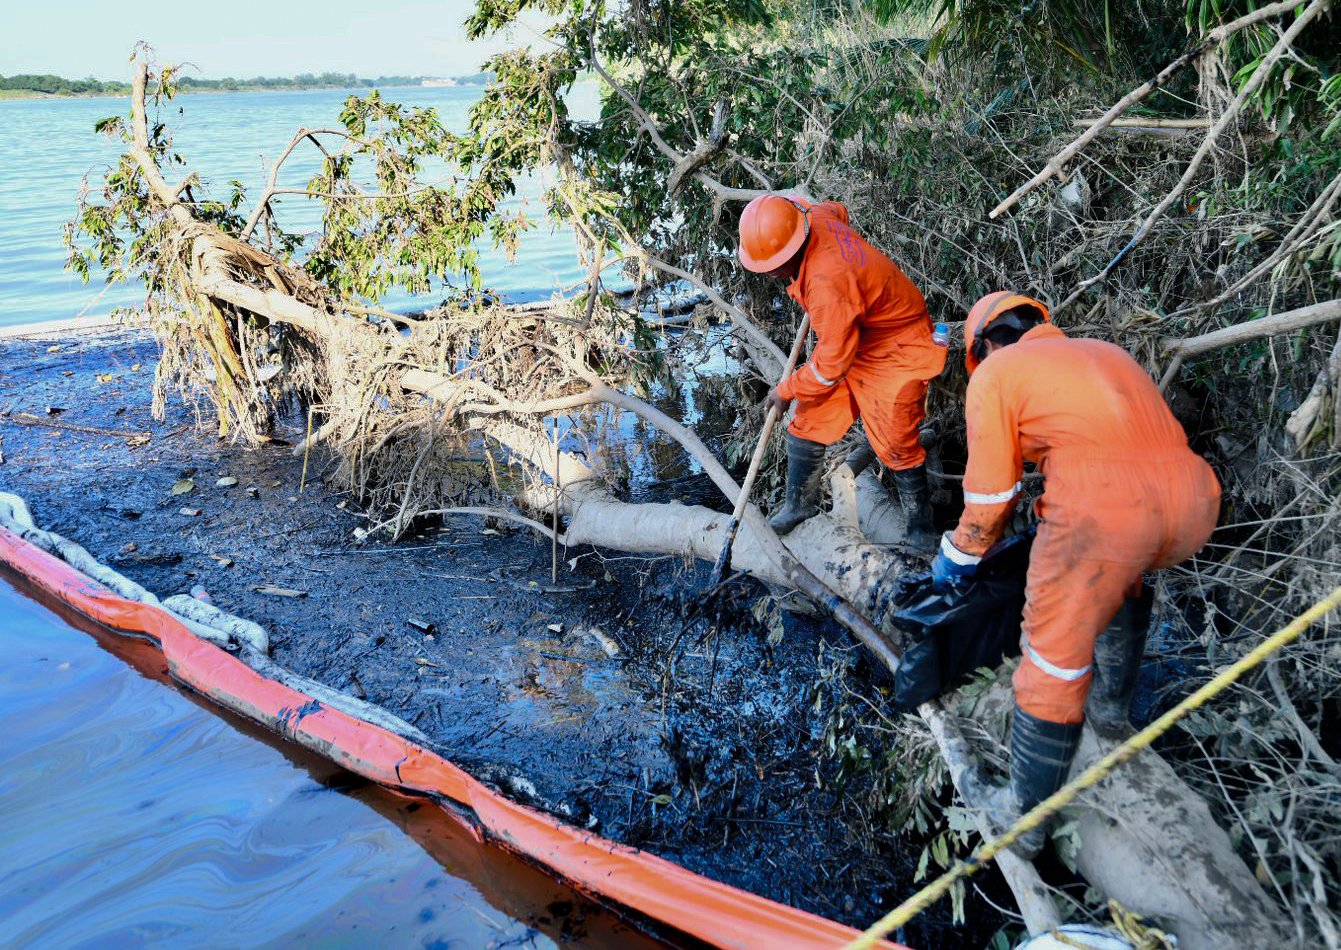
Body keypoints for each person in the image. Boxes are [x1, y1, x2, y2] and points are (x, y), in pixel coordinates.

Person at [930, 291, 1221, 856]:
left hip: (1105, 515)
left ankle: (1026, 823)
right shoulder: (1105, 352)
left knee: (1050, 662)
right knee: (1125, 580)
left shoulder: (996, 375)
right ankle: (1111, 715)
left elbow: (991, 499)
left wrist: (955, 561)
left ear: (986, 345)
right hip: (1194, 502)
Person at [736, 193, 946, 546]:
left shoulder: (827, 284)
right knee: (808, 422)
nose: (770, 274)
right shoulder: (811, 215)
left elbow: (830, 368)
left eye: (770, 267)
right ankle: (799, 506)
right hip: (855, 334)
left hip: (896, 345)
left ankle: (921, 533)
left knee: (896, 442)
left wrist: (785, 389)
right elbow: (839, 210)